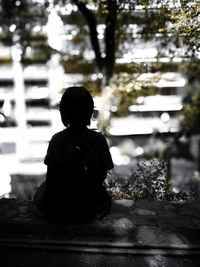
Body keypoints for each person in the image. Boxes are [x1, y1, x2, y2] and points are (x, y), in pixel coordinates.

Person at [34, 86, 114, 223]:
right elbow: (102, 174)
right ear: (90, 112)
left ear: (63, 113)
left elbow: (51, 179)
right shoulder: (98, 140)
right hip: (90, 203)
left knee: (41, 190)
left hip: (60, 203)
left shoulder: (57, 139)